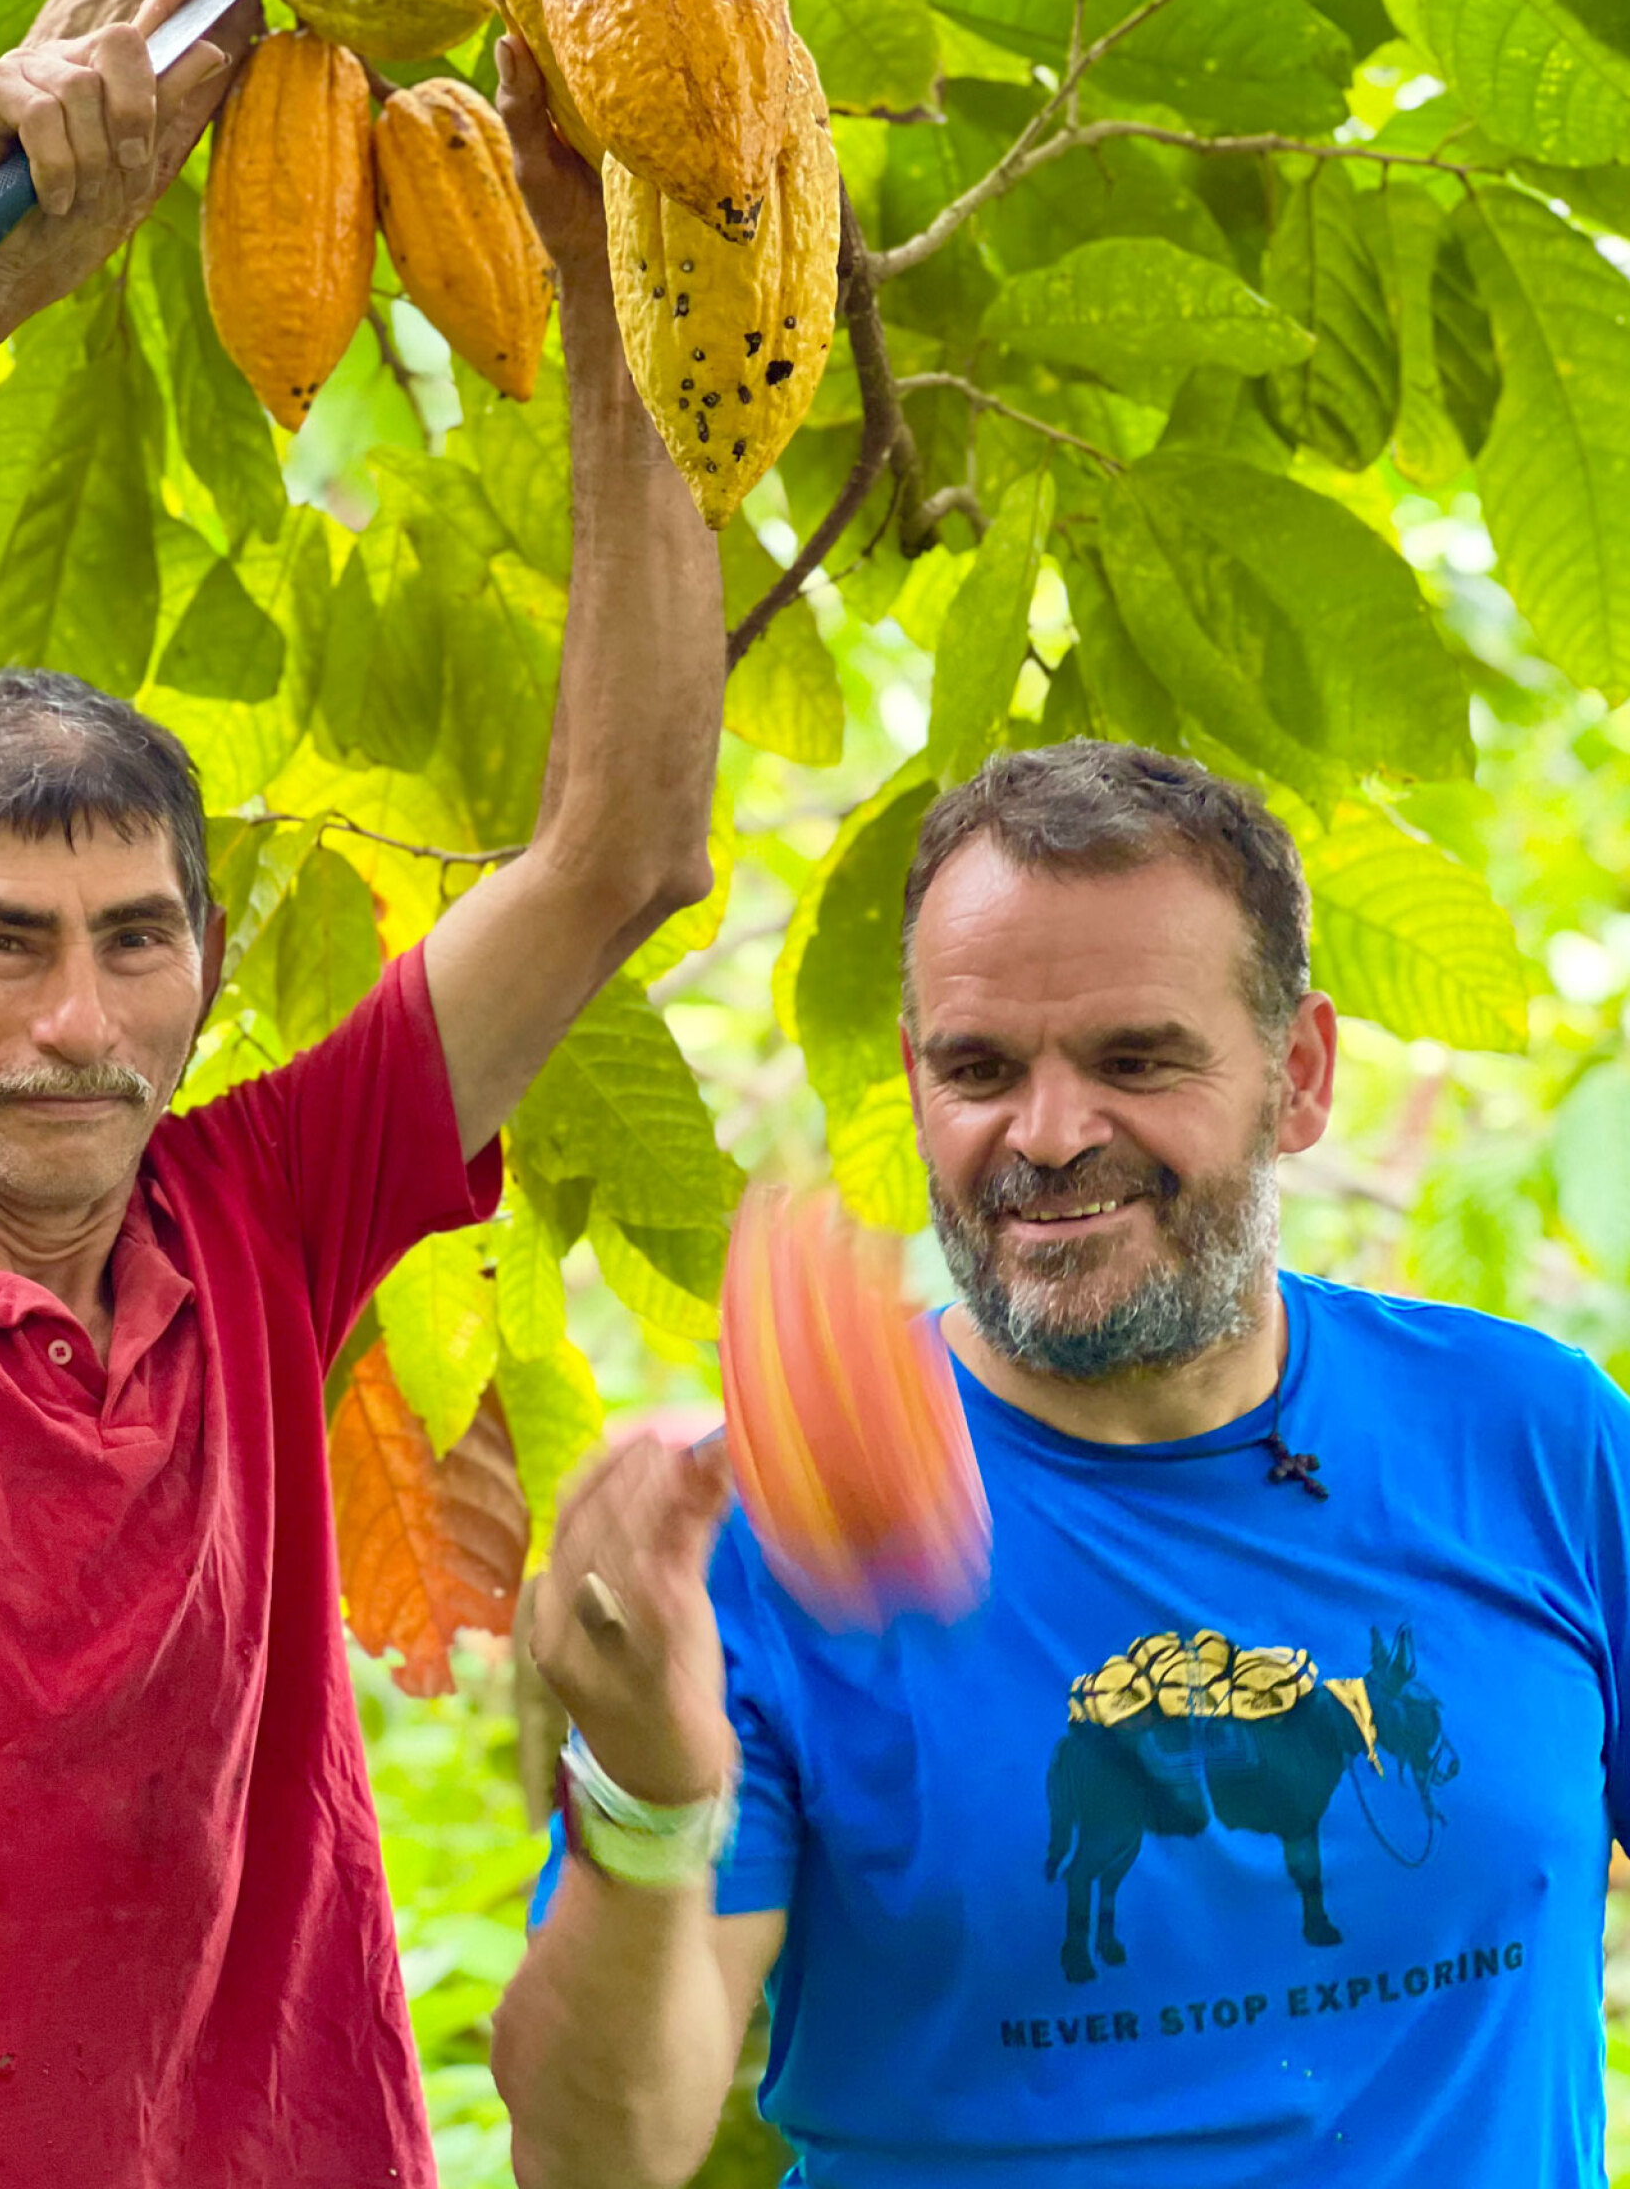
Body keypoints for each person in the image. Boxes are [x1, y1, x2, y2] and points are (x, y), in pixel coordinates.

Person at [0, 0, 724, 2188]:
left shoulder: (259, 1210)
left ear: (198, 962)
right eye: (6, 944)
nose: (81, 1020)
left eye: (137, 939)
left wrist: (605, 255)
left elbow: (629, 841)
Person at [495, 741, 1630, 2188]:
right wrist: (648, 1794)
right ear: (916, 1083)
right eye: (979, 1069)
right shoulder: (764, 1523)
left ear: (1298, 1075)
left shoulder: (1532, 1437)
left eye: (1134, 1060)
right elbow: (597, 2158)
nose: (1046, 1135)